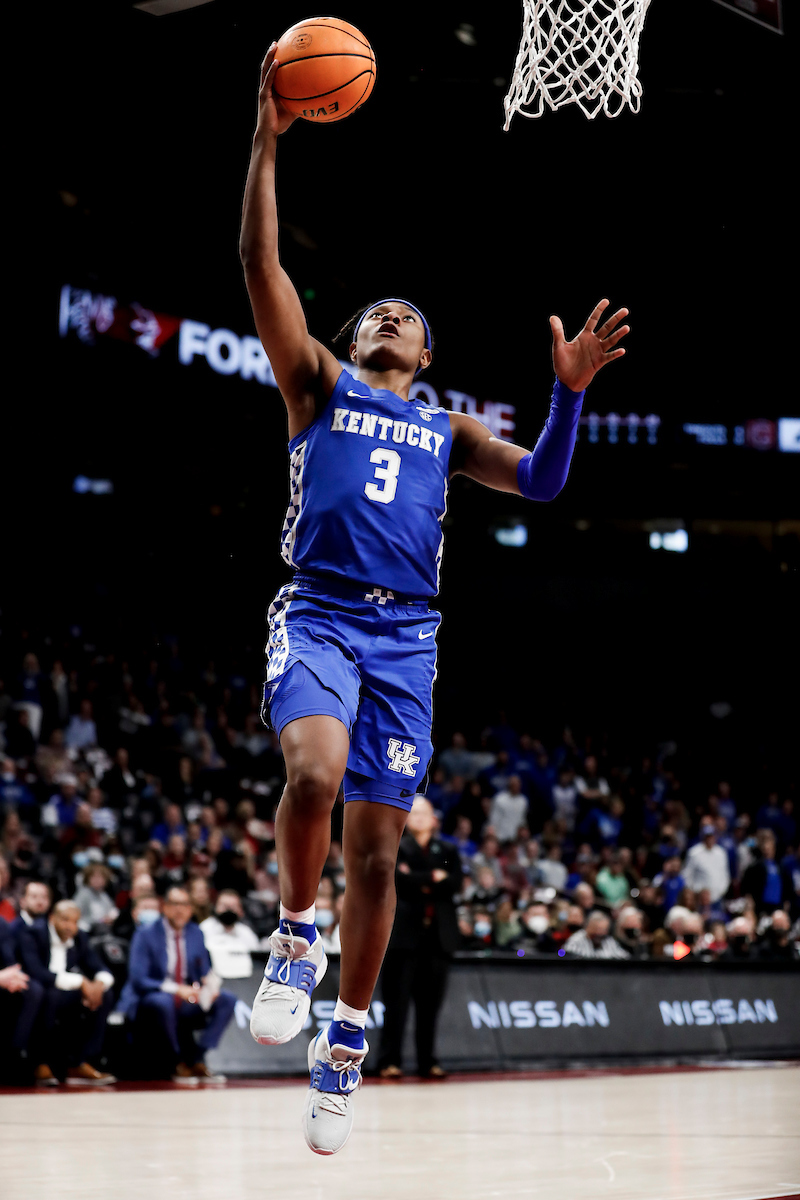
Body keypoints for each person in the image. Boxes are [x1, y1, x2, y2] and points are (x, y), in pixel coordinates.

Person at [239, 38, 630, 1157]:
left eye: (406, 314)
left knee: (377, 854)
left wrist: (566, 397)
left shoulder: (447, 428)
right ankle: (294, 938)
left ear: (427, 350)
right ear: (354, 337)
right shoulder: (315, 383)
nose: (390, 316)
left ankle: (344, 1044)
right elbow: (259, 263)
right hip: (320, 611)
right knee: (312, 774)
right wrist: (267, 139)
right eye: (376, 310)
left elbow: (543, 483)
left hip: (407, 639)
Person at [375, 798, 462, 1080]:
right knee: (396, 1004)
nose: (420, 818)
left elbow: (454, 883)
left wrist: (417, 877)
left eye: (425, 813)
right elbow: (398, 881)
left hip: (437, 937)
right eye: (414, 813)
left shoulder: (447, 850)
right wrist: (434, 877)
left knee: (430, 1006)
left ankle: (428, 1061)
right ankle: (389, 1060)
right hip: (403, 937)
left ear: (435, 819)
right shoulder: (396, 846)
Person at [122, 885, 236, 1083]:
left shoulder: (196, 933)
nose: (180, 910)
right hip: (152, 996)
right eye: (175, 904)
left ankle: (197, 1059)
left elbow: (204, 970)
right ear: (164, 907)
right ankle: (178, 1061)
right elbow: (139, 979)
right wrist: (177, 989)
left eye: (185, 905)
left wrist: (209, 986)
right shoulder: (146, 933)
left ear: (191, 909)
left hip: (188, 997)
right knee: (164, 1002)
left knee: (227, 999)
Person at [17, 899, 116, 1086]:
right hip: (39, 990)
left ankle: (80, 1062)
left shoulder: (79, 937)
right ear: (52, 918)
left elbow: (98, 966)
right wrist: (81, 982)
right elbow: (35, 971)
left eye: (75, 922)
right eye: (65, 920)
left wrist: (99, 984)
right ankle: (41, 1063)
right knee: (49, 996)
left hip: (66, 990)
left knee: (105, 995)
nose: (70, 926)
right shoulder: (33, 933)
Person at [563, 910, 630, 959]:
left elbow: (625, 957)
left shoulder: (608, 940)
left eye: (604, 930)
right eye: (598, 929)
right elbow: (567, 957)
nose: (601, 933)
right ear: (589, 927)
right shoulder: (576, 940)